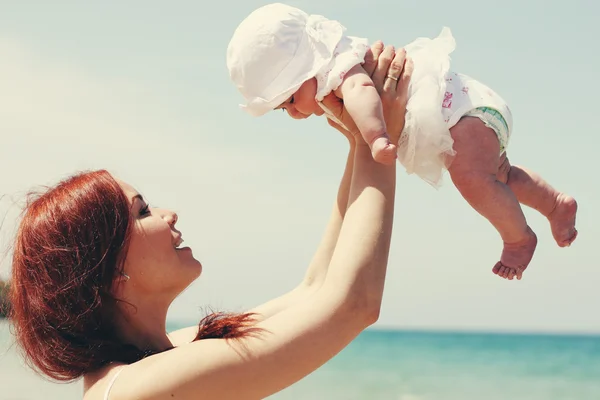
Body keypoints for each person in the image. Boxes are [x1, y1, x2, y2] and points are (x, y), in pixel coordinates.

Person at [8, 43, 412, 399]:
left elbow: (314, 290)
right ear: (107, 267)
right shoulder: (139, 387)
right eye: (143, 212)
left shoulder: (168, 355)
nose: (169, 214)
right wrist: (383, 143)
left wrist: (361, 140)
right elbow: (350, 306)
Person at [226, 3, 578, 281]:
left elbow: (363, 91)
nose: (292, 113)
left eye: (288, 100)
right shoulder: (332, 69)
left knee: (472, 178)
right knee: (498, 177)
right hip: (469, 113)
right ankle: (554, 204)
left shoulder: (339, 68)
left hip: (462, 114)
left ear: (305, 68)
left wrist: (377, 137)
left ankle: (518, 239)